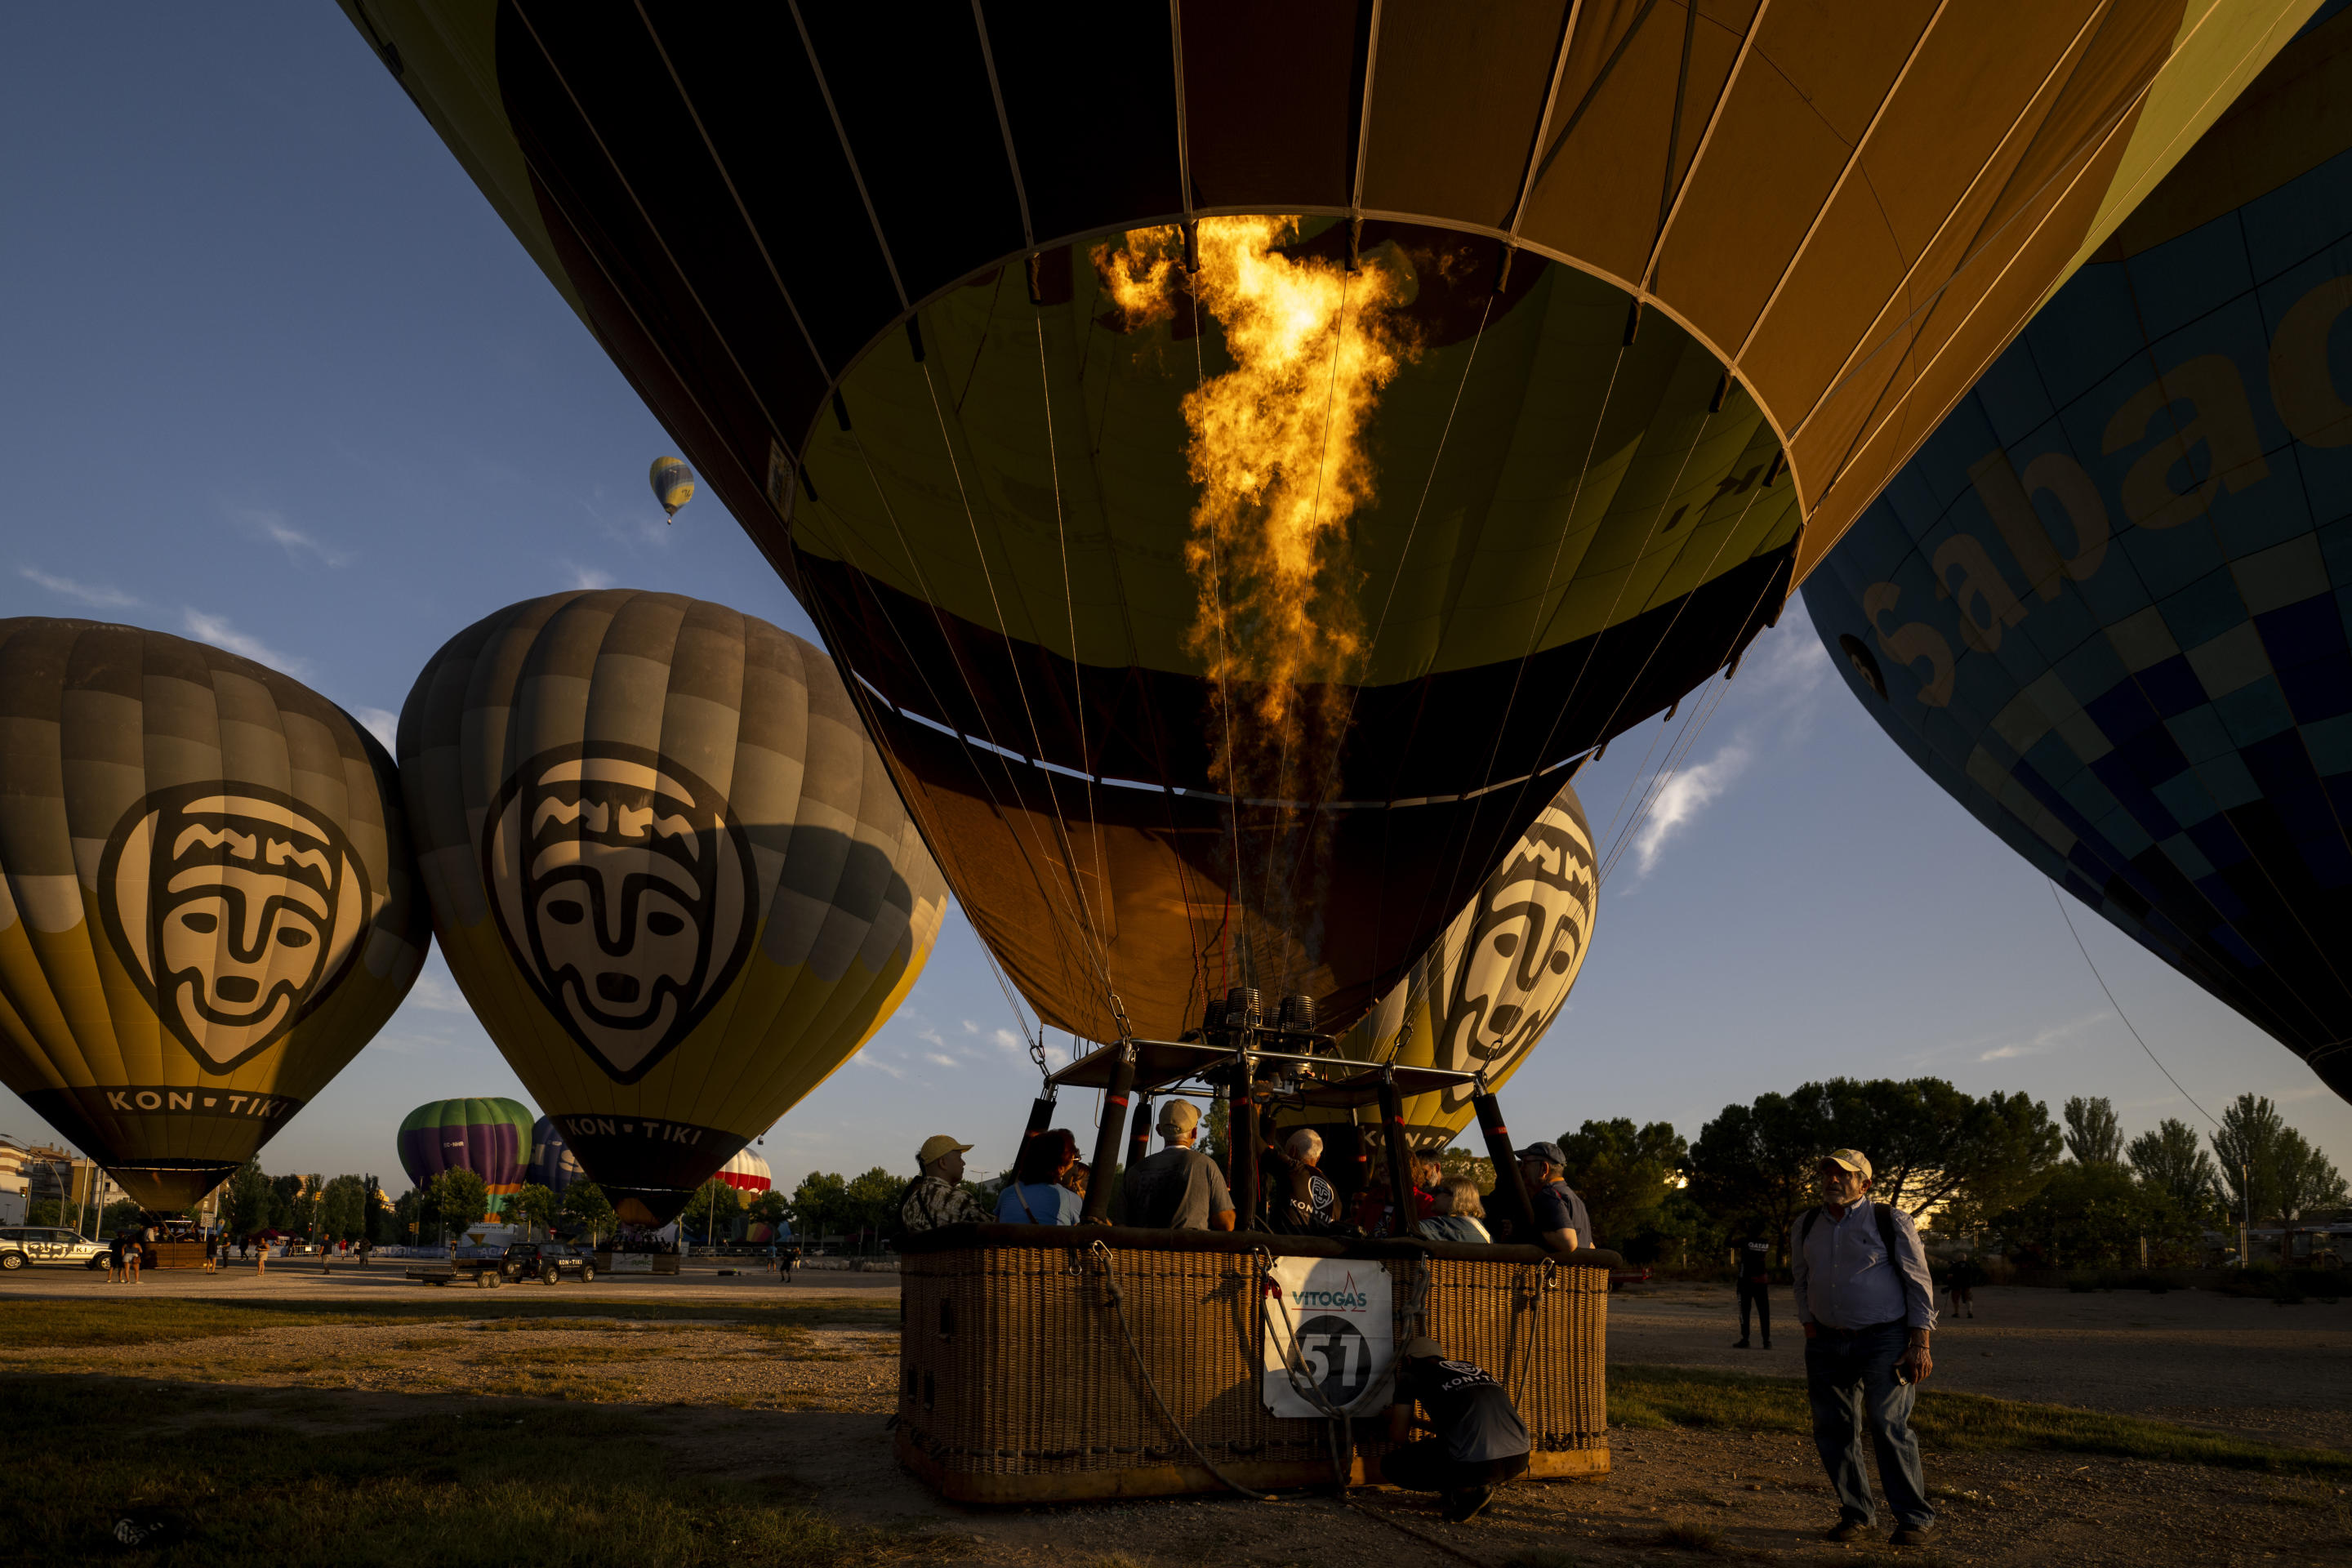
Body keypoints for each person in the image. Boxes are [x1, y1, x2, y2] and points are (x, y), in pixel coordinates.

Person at [1791, 1148, 1937, 1547]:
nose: (1832, 1180)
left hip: (1884, 1340)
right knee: (1834, 1430)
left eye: (1842, 1175)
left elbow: (1918, 1282)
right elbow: (1801, 1280)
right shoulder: (1805, 1225)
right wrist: (1809, 1325)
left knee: (1888, 1425)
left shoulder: (1890, 1221)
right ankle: (1858, 1514)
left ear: (1864, 1184)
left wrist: (1919, 1342)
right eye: (1827, 1173)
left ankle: (1913, 1518)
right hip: (1825, 1341)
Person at [1387, 1336, 1531, 1523]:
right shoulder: (1471, 1368)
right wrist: (1416, 1422)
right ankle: (1477, 1490)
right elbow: (1461, 1428)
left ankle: (1468, 1493)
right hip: (1519, 1458)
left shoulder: (1410, 1376)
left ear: (1407, 1360)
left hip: (1479, 1464)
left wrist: (1392, 1418)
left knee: (1393, 1465)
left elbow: (1398, 1437)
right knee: (1458, 1447)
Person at [1122, 1101, 1235, 1230]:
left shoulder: (1135, 1170)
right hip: (1191, 1249)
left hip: (1143, 1249)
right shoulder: (1206, 1165)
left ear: (1159, 1130)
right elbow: (1226, 1223)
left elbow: (1120, 1223)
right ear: (1194, 1133)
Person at [1258, 1120, 1339, 1236]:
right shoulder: (1335, 1194)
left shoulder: (1293, 1168)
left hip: (1285, 1249)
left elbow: (1256, 1143)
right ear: (1318, 1157)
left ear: (1293, 1151)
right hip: (1320, 1252)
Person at [899, 1134, 990, 1234]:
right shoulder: (961, 1199)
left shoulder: (909, 1205)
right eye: (959, 1158)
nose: (963, 1163)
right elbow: (993, 1232)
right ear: (942, 1163)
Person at [996, 1129, 1085, 1225]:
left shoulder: (1007, 1194)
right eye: (1073, 1160)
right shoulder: (1070, 1199)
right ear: (1060, 1168)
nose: (1075, 1168)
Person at [1516, 1142, 1592, 1251]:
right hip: (1580, 1268)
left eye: (1526, 1163)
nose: (1521, 1169)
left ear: (1544, 1169)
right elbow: (1591, 1247)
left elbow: (1568, 1242)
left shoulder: (1548, 1195)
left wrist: (1527, 1232)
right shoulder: (1576, 1200)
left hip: (1556, 1268)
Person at [1732, 1227, 1773, 1349]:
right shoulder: (1765, 1242)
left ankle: (1745, 1339)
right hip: (1761, 1281)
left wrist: (1734, 1229)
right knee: (1764, 1312)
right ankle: (1766, 1341)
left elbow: (1727, 1243)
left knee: (1744, 1311)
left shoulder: (1745, 1241)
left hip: (1745, 1282)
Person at [1422, 1175, 1491, 1244]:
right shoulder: (1481, 1229)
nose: (1433, 1195)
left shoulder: (1444, 1226)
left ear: (1454, 1196)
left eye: (1438, 1191)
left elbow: (1414, 1231)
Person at [1946, 1252, 1980, 1319]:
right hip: (1967, 1285)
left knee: (1956, 1299)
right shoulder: (1969, 1265)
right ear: (1965, 1258)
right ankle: (1969, 1312)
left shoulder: (1954, 1266)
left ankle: (1956, 1313)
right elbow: (1972, 1275)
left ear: (1958, 1258)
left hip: (1956, 1285)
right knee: (1968, 1299)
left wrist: (1949, 1283)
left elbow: (1949, 1276)